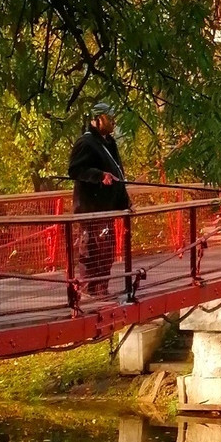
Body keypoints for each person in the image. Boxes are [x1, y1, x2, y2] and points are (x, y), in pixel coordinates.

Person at [67, 102, 131, 296]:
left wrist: (125, 202)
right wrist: (98, 175)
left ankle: (101, 289)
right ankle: (89, 291)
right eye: (109, 118)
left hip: (106, 208)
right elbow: (75, 170)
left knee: (106, 251)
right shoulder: (85, 143)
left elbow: (117, 174)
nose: (113, 122)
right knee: (91, 251)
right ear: (97, 119)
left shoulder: (109, 142)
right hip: (90, 208)